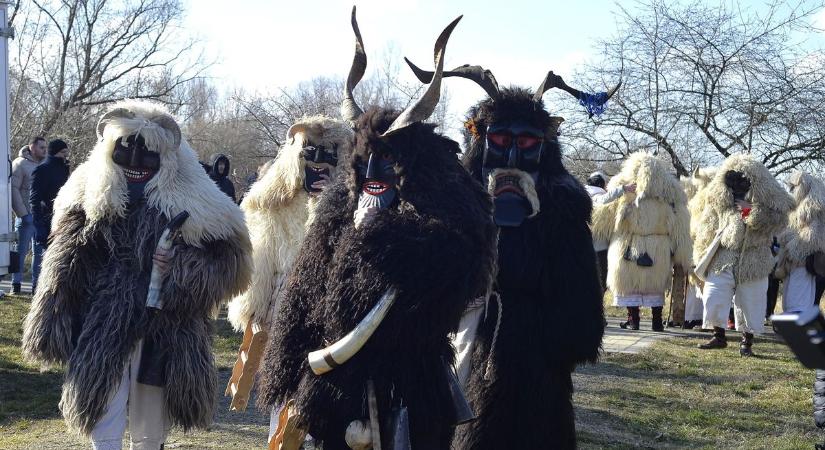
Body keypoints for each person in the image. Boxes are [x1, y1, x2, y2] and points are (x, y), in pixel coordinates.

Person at [258, 11, 496, 449]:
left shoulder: (441, 222)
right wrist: (289, 368)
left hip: (413, 378)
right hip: (337, 381)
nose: (373, 171)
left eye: (385, 162)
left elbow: (460, 272)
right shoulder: (335, 216)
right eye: (365, 159)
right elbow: (304, 294)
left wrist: (386, 239)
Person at [22, 100, 252, 448]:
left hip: (165, 325)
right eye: (124, 152)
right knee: (102, 416)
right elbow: (64, 262)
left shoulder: (195, 198)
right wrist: (52, 319)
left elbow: (231, 262)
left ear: (165, 158)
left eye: (147, 155)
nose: (134, 163)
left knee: (150, 424)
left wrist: (177, 267)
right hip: (103, 323)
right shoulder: (89, 194)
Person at [405, 61, 610, 447]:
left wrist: (536, 341)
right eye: (501, 142)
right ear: (482, 140)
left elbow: (582, 313)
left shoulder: (562, 207)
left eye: (528, 143)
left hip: (535, 365)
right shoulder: (457, 200)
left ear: (544, 147)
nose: (513, 156)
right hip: (456, 347)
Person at [224, 115, 350, 419]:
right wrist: (254, 303)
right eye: (311, 154)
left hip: (329, 305)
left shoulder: (350, 202)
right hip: (283, 303)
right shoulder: (273, 198)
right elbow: (260, 246)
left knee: (322, 393)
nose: (319, 162)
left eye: (329, 154)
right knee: (283, 389)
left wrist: (332, 201)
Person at [693, 154, 792, 356]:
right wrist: (702, 251)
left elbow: (779, 220)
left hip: (755, 257)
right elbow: (708, 225)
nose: (737, 183)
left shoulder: (768, 200)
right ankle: (718, 335)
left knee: (751, 299)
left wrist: (752, 212)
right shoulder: (719, 198)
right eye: (733, 179)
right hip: (724, 254)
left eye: (742, 180)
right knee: (715, 292)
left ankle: (747, 342)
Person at [592, 152, 692, 332]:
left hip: (628, 245)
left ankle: (634, 320)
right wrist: (681, 252)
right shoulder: (670, 190)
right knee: (656, 284)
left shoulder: (623, 185)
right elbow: (681, 224)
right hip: (658, 246)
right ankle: (656, 321)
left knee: (630, 283)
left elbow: (602, 216)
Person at [774, 171, 825, 314]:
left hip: (803, 262)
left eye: (795, 187)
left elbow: (812, 238)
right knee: (793, 296)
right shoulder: (797, 210)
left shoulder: (813, 209)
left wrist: (791, 245)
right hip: (793, 263)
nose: (793, 191)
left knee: (798, 296)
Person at [29, 139, 71, 291]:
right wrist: (38, 225)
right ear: (55, 153)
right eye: (63, 152)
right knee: (41, 256)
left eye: (67, 152)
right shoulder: (42, 169)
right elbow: (34, 200)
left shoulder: (65, 168)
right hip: (45, 218)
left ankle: (53, 287)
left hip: (61, 218)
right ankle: (36, 287)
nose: (66, 155)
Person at [585, 171, 636, 293]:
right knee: (600, 281)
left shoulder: (583, 194)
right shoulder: (593, 196)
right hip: (598, 248)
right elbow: (603, 200)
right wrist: (623, 189)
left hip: (590, 247)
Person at [11, 137, 46, 294]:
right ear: (32, 148)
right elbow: (14, 189)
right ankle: (15, 285)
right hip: (26, 216)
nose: (44, 150)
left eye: (46, 147)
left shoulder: (45, 165)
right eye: (41, 147)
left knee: (39, 253)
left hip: (41, 217)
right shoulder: (19, 163)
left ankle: (35, 287)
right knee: (21, 251)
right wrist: (23, 214)